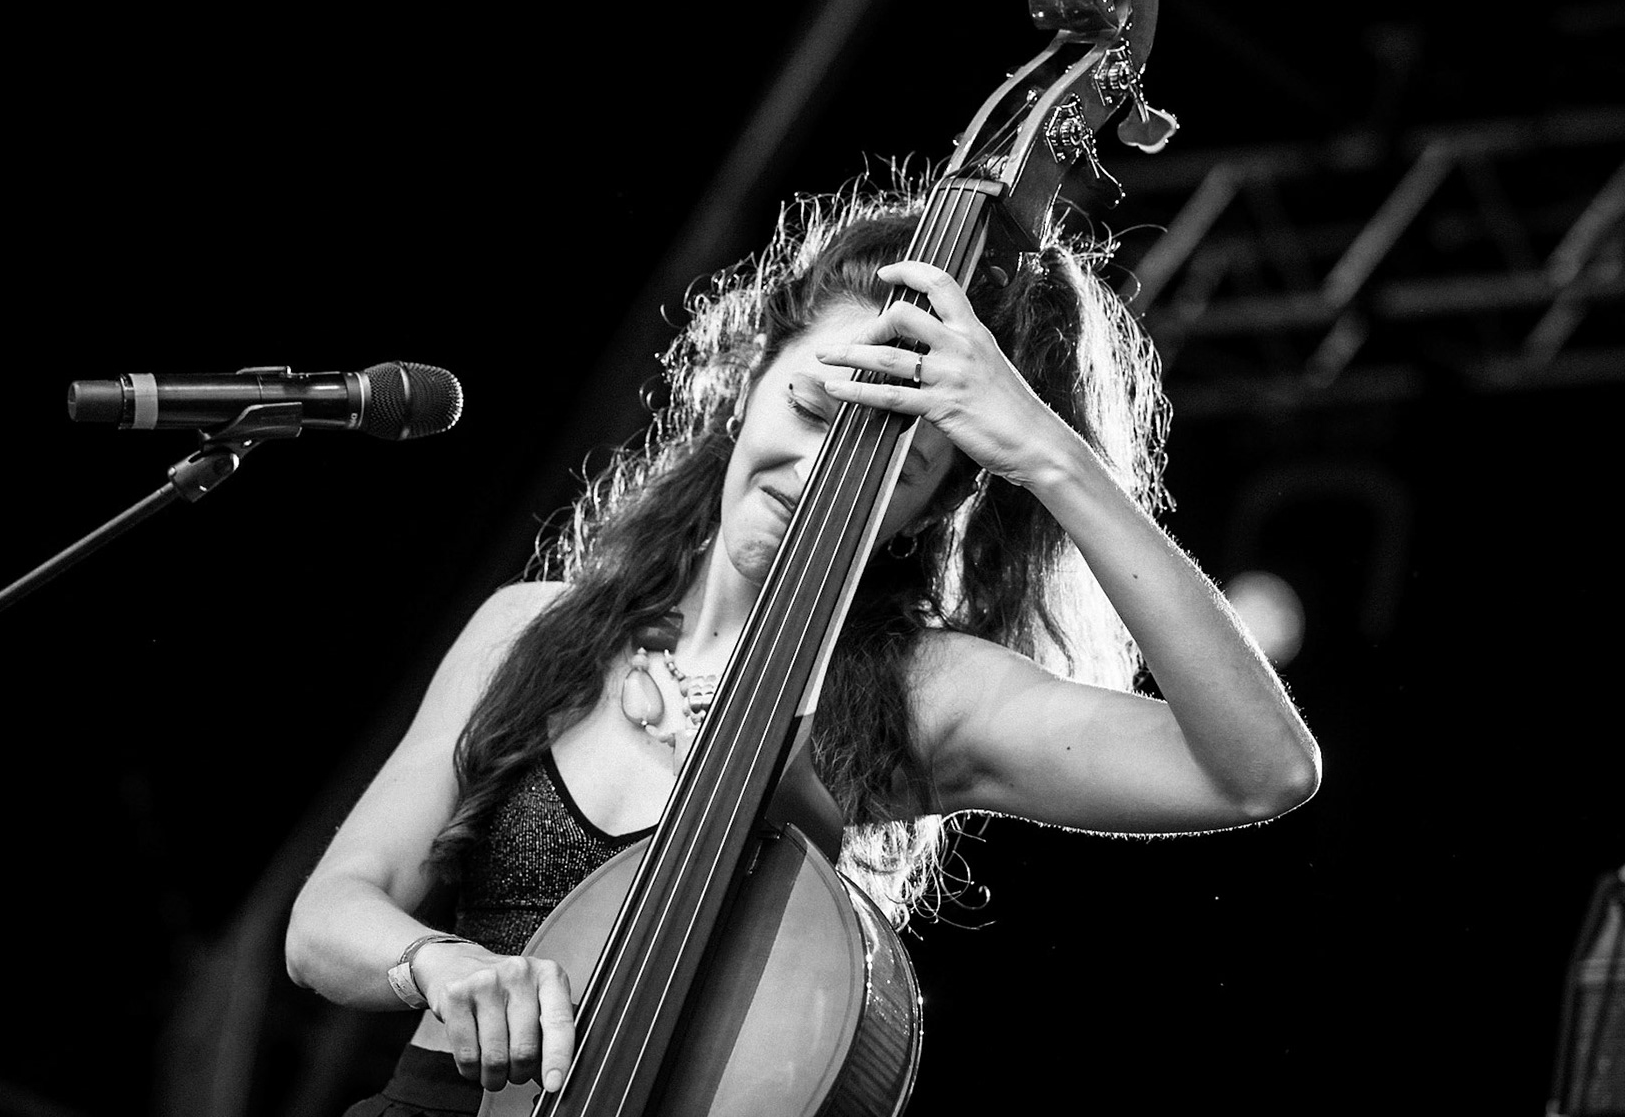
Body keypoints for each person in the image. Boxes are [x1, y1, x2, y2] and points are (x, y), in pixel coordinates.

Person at [285, 180, 1322, 1115]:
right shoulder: (528, 628)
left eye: (896, 465)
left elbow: (1258, 770)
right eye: (816, 405)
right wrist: (439, 961)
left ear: (923, 515)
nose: (825, 472)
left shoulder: (921, 692)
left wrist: (1051, 454)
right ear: (750, 377)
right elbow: (326, 918)